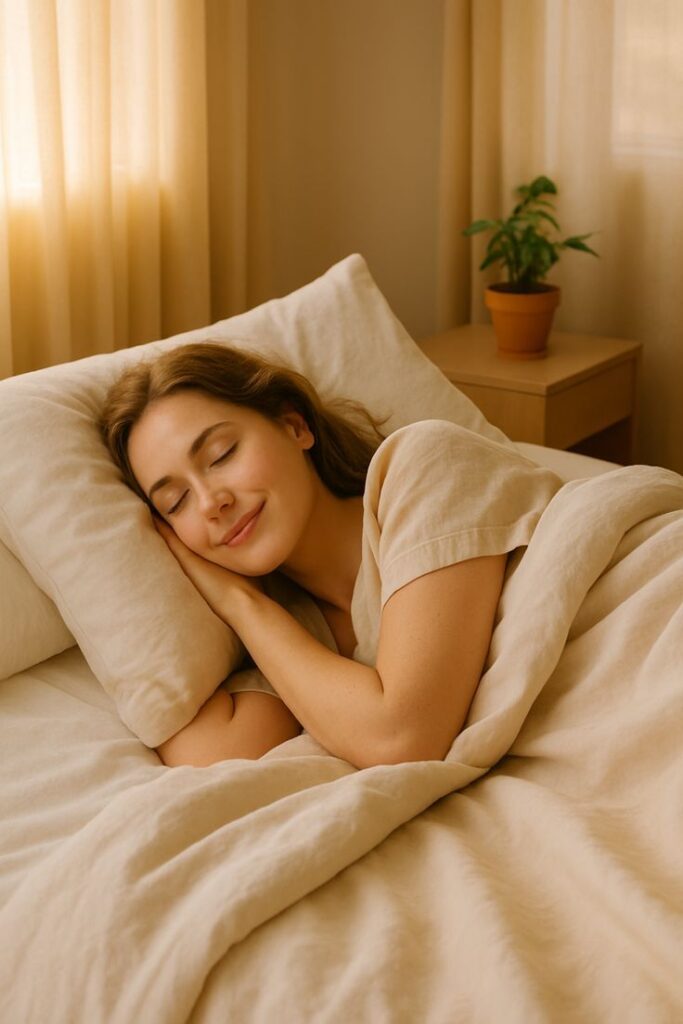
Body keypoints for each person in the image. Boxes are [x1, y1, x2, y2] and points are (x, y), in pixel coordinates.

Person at [101, 342, 561, 769]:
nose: (209, 502)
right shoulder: (296, 631)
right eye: (176, 503)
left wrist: (241, 603)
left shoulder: (423, 466)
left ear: (295, 426)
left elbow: (403, 736)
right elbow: (213, 753)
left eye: (222, 454)